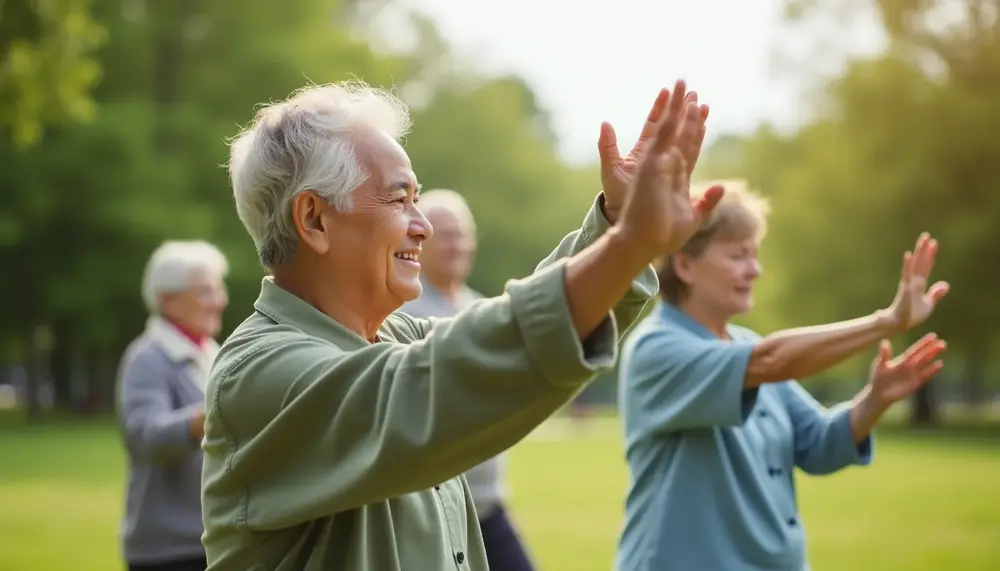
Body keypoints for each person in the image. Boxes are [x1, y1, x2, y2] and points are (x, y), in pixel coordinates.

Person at [201, 79, 720, 571]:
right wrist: (629, 243)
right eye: (399, 198)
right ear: (314, 219)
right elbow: (445, 381)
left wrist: (615, 228)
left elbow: (498, 342)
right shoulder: (260, 373)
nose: (423, 226)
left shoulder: (394, 337)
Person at [614, 180, 950, 571]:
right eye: (739, 255)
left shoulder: (747, 345)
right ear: (685, 264)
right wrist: (887, 321)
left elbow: (819, 443)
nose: (754, 270)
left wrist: (875, 399)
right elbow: (769, 361)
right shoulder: (656, 350)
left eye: (755, 255)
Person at [399, 189, 536, 571]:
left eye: (463, 234)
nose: (456, 245)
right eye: (446, 234)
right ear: (421, 238)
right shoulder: (401, 311)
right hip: (427, 511)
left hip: (486, 505)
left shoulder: (481, 308)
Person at [115, 240, 229, 571]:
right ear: (168, 299)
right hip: (169, 549)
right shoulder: (148, 357)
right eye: (206, 292)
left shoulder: (211, 351)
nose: (220, 301)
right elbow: (145, 436)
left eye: (218, 289)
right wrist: (212, 417)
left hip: (213, 537)